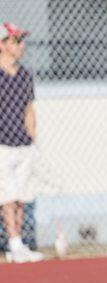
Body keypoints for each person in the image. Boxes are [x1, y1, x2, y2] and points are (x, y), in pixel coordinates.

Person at [0, 22, 43, 263]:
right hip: (2, 145)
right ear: (2, 45)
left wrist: (32, 138)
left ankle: (20, 245)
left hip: (23, 143)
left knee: (21, 196)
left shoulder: (25, 75)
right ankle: (14, 243)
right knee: (7, 196)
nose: (21, 45)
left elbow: (29, 109)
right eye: (15, 41)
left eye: (21, 40)